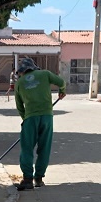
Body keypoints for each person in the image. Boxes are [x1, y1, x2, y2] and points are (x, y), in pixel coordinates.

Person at [13, 58, 66, 190]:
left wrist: (25, 119)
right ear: (33, 67)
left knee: (27, 148)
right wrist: (61, 91)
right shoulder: (45, 74)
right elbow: (62, 82)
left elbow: (19, 106)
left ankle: (27, 179)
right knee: (44, 148)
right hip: (47, 117)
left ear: (21, 72)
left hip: (30, 118)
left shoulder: (19, 83)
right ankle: (39, 178)